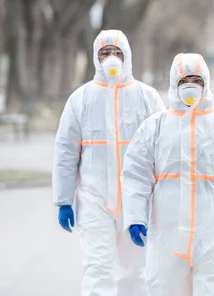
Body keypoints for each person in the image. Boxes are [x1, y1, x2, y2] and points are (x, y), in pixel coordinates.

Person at [121, 53, 214, 296]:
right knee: (165, 289)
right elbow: (135, 173)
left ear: (205, 84)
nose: (190, 86)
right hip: (167, 234)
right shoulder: (156, 127)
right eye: (184, 80)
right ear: (174, 84)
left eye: (196, 80)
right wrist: (135, 216)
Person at [53, 29, 166, 296]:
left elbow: (165, 150)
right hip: (95, 200)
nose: (111, 58)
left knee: (135, 273)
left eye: (117, 53)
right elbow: (65, 152)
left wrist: (165, 200)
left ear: (127, 56)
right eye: (105, 53)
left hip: (137, 201)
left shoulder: (147, 98)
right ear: (96, 58)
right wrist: (64, 199)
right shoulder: (80, 99)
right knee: (97, 268)